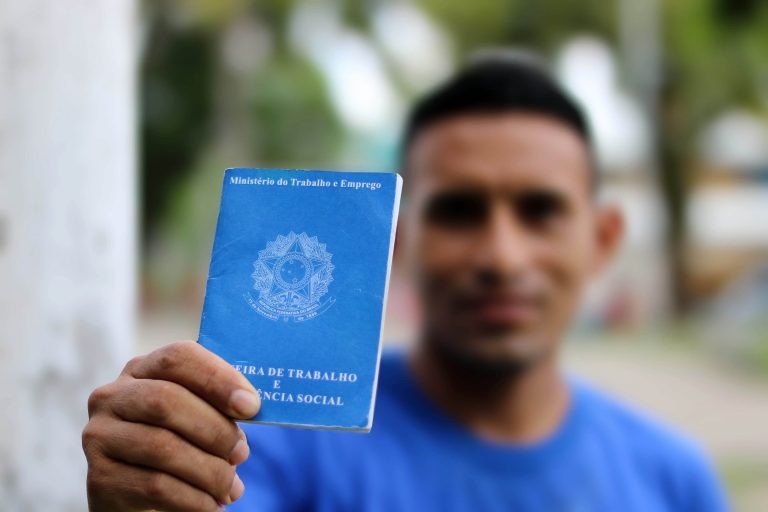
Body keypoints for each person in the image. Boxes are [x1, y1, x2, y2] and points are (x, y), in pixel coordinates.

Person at [82, 55, 730, 512]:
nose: (502, 256)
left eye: (540, 210)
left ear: (604, 239)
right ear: (394, 240)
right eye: (458, 210)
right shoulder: (256, 451)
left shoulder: (675, 481)